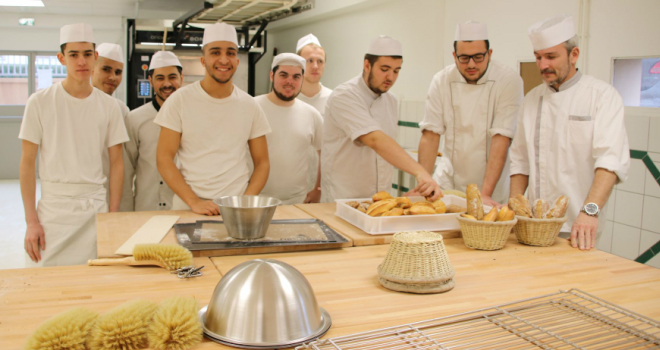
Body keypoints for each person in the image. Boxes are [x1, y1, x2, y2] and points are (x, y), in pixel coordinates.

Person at [509, 14, 630, 250]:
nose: (543, 65)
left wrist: (590, 212)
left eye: (551, 57)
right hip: (531, 224)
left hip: (579, 225)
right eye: (538, 57)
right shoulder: (532, 99)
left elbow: (610, 162)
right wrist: (514, 208)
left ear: (574, 55)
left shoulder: (602, 96)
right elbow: (520, 162)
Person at [19, 23, 128, 266]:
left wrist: (112, 215)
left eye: (87, 54)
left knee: (93, 282)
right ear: (61, 58)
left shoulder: (109, 107)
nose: (81, 61)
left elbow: (117, 163)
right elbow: (27, 164)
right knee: (46, 282)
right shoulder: (39, 102)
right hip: (53, 213)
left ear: (95, 57)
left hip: (94, 210)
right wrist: (31, 221)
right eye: (74, 55)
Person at [155, 22, 271, 215]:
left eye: (231, 53)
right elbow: (163, 158)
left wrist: (245, 200)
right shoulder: (180, 101)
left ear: (237, 60)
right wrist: (194, 202)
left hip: (236, 207)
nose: (224, 60)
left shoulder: (250, 105)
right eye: (215, 52)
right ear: (203, 60)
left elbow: (263, 162)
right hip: (189, 207)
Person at [321, 35, 441, 202]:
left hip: (380, 199)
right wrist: (420, 172)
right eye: (384, 69)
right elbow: (375, 139)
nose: (390, 78)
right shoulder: (344, 96)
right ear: (367, 65)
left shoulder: (390, 100)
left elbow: (386, 147)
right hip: (344, 198)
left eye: (396, 71)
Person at [417, 21, 523, 206]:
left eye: (478, 57)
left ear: (489, 54)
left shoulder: (508, 80)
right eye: (464, 58)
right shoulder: (441, 80)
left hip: (491, 187)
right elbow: (430, 135)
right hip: (447, 181)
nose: (471, 64)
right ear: (454, 56)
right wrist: (423, 182)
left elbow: (501, 139)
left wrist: (485, 194)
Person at [254, 53, 323, 204]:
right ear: (272, 75)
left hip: (297, 201)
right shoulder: (252, 107)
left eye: (296, 77)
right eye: (283, 75)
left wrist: (319, 189)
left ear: (302, 79)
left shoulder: (311, 114)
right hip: (255, 199)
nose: (289, 81)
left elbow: (325, 153)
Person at [122, 51, 181, 211]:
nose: (167, 84)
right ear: (150, 80)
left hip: (183, 208)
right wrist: (125, 212)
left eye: (172, 77)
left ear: (181, 78)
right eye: (160, 78)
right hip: (146, 208)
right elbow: (127, 172)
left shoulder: (192, 117)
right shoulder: (135, 119)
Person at [92, 43, 132, 210]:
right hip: (83, 195)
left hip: (115, 192)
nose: (113, 77)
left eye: (118, 72)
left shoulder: (121, 109)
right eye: (106, 69)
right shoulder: (75, 104)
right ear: (92, 68)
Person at [296, 34, 332, 199]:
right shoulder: (288, 99)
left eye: (320, 61)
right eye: (309, 61)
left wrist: (318, 188)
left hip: (325, 186)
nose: (315, 66)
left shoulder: (334, 100)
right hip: (292, 184)